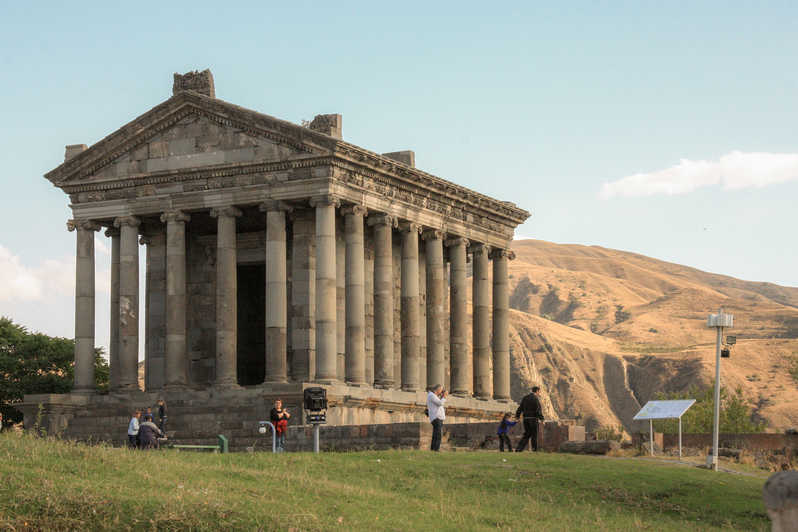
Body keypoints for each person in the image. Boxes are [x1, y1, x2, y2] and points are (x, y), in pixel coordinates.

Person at [515, 386, 545, 452]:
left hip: (525, 419)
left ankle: (519, 449)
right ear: (537, 391)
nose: (539, 393)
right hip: (533, 419)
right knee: (534, 435)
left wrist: (517, 416)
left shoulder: (525, 398)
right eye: (539, 392)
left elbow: (520, 408)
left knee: (527, 434)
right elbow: (538, 410)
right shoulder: (535, 399)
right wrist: (542, 419)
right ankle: (534, 449)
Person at [426, 384, 447, 451]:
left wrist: (442, 397)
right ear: (437, 389)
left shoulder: (433, 396)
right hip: (436, 418)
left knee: (435, 434)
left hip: (437, 418)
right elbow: (440, 403)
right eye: (441, 390)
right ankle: (436, 449)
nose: (441, 392)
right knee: (438, 434)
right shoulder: (431, 395)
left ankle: (433, 449)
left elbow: (438, 403)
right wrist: (444, 397)